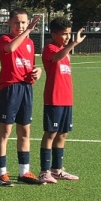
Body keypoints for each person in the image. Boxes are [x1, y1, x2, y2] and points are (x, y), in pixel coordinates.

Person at [0, 9, 40, 186]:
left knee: (25, 131)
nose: (20, 26)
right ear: (9, 23)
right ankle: (1, 174)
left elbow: (30, 65)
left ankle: (24, 172)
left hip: (26, 88)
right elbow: (11, 48)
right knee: (5, 131)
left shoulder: (30, 43)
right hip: (10, 88)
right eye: (17, 22)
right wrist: (27, 31)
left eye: (23, 22)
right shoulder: (5, 39)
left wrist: (38, 71)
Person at [41, 18, 86, 183]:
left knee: (63, 133)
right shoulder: (50, 49)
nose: (68, 37)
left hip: (67, 98)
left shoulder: (65, 51)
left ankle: (57, 170)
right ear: (54, 35)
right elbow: (55, 58)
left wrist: (69, 46)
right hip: (54, 98)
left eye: (69, 34)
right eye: (64, 34)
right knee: (51, 133)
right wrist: (73, 44)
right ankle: (44, 171)